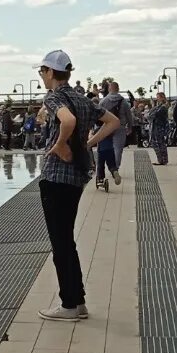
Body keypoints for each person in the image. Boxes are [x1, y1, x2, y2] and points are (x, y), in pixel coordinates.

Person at [37, 50, 120, 321]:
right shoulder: (82, 99)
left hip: (55, 177)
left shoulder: (54, 97)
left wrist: (60, 145)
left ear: (50, 72)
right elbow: (113, 122)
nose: (41, 76)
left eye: (42, 71)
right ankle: (78, 300)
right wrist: (87, 144)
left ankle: (69, 304)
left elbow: (68, 121)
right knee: (67, 239)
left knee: (60, 242)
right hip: (76, 177)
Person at [148, 91, 170, 165]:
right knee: (160, 143)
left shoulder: (163, 107)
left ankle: (161, 160)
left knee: (157, 143)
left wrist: (153, 105)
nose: (156, 99)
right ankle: (163, 160)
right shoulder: (161, 106)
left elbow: (151, 115)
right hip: (158, 127)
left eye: (158, 97)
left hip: (158, 127)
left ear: (162, 97)